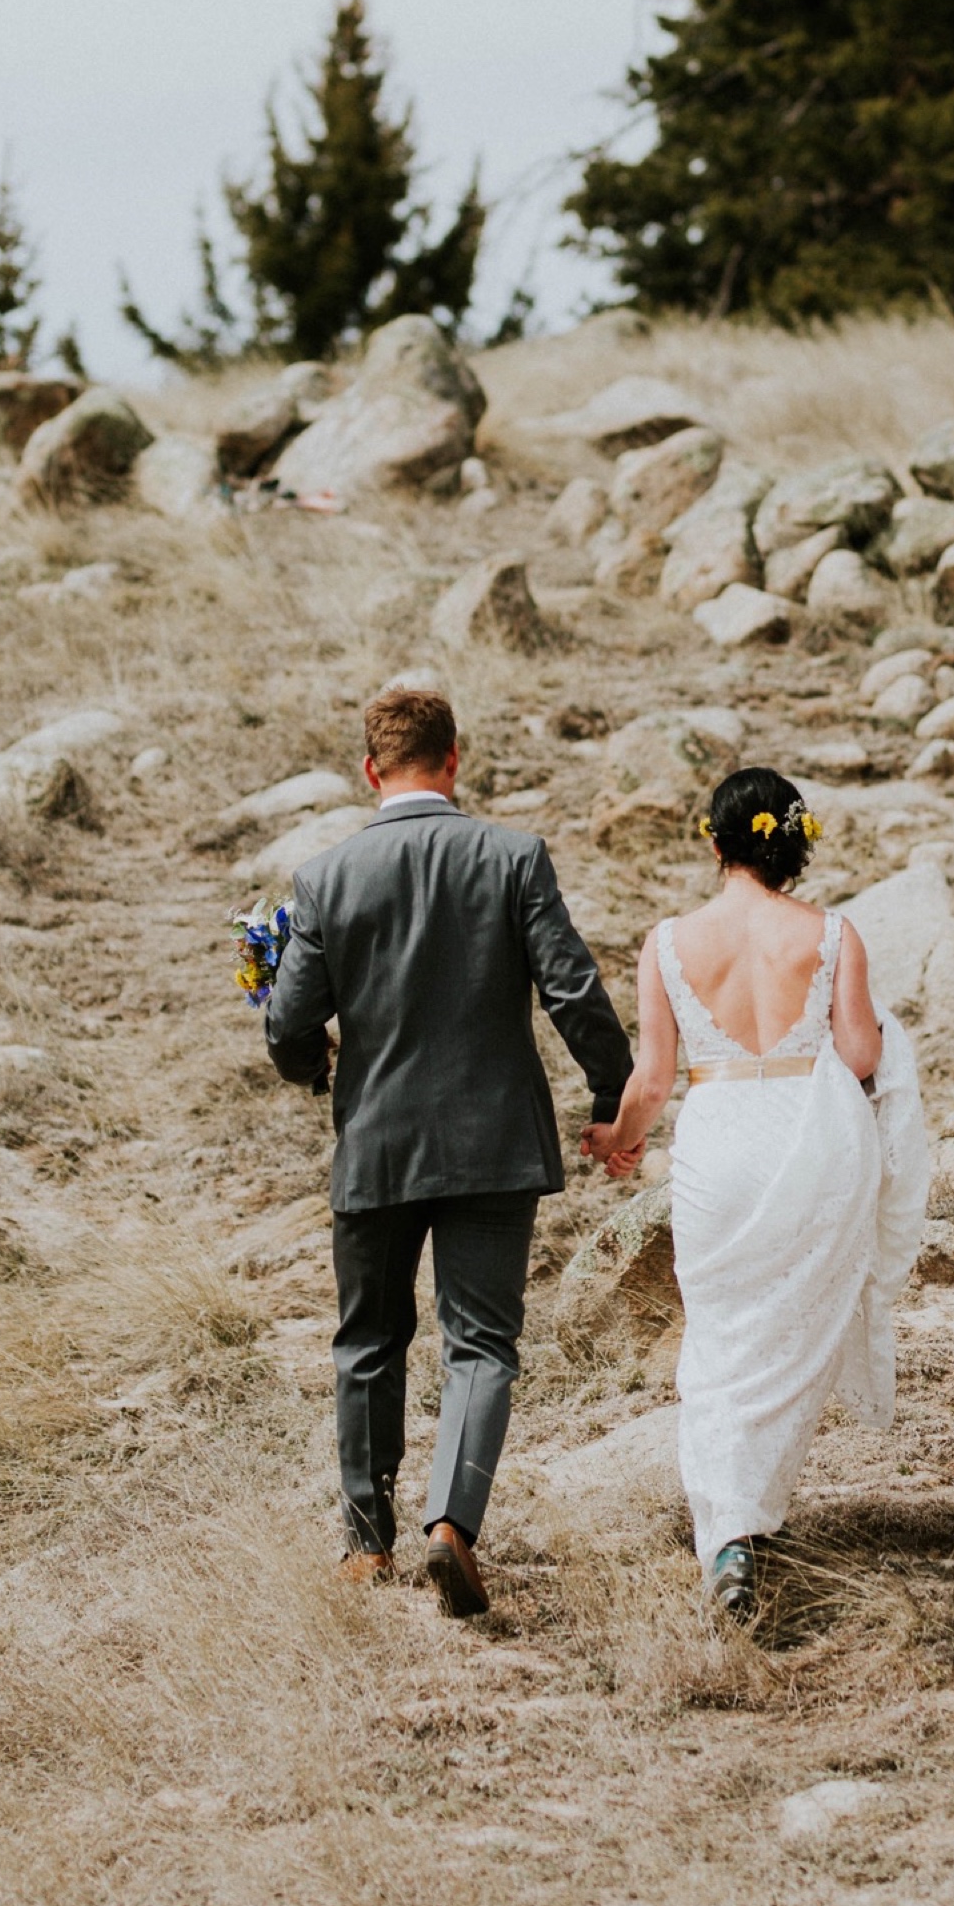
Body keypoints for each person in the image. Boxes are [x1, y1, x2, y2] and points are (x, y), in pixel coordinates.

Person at [266, 684, 634, 1618]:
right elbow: (573, 989)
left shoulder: (325, 878)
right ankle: (452, 1526)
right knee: (480, 1343)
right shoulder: (512, 857)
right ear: (455, 759)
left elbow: (288, 1027)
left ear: (370, 770)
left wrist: (319, 1068)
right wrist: (609, 1094)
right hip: (492, 1145)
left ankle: (365, 1543)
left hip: (378, 1145)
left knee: (368, 1341)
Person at [583, 766, 932, 1623]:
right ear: (794, 844)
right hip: (814, 1141)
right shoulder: (835, 933)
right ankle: (746, 1517)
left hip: (720, 1142)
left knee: (721, 1338)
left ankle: (730, 1533)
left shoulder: (667, 943)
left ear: (714, 842)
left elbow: (655, 1079)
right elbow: (857, 1056)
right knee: (792, 1335)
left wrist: (617, 1140)